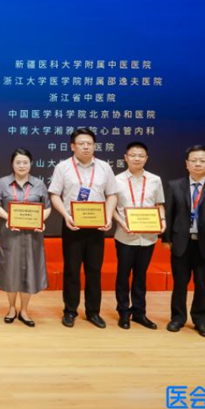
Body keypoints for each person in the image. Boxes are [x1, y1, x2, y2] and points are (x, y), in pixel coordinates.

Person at [49, 128, 118, 329]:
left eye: (89, 143)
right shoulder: (63, 167)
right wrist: (66, 215)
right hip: (73, 225)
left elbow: (112, 194)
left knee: (94, 270)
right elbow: (54, 194)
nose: (86, 147)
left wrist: (108, 216)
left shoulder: (105, 167)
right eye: (81, 143)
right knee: (71, 270)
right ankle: (70, 311)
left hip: (97, 226)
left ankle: (93, 312)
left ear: (94, 146)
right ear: (73, 146)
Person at [164, 145, 205, 338]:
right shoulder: (175, 185)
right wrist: (167, 238)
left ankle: (201, 320)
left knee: (203, 285)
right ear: (187, 164)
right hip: (181, 243)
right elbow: (169, 214)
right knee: (180, 284)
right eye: (194, 160)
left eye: (202, 160)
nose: (198, 164)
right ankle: (177, 318)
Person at [0, 148, 52, 327]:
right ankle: (11, 308)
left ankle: (24, 310)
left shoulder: (39, 184)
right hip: (11, 235)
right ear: (12, 164)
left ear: (31, 164)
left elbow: (47, 207)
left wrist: (40, 220)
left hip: (33, 236)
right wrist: (9, 218)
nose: (22, 165)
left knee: (30, 272)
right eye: (18, 162)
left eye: (25, 162)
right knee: (11, 271)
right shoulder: (3, 183)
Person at [111, 142, 165, 330]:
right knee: (123, 275)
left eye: (141, 155)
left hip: (148, 237)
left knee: (141, 276)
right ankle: (123, 312)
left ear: (146, 158)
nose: (137, 158)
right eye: (133, 155)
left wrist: (162, 220)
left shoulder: (155, 180)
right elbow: (111, 208)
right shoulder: (116, 180)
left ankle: (139, 313)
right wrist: (121, 223)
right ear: (125, 158)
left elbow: (159, 204)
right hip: (125, 236)